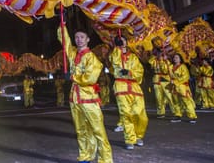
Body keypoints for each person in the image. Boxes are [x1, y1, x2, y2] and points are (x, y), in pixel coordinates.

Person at [57, 26, 113, 163]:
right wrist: (63, 26)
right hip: (75, 98)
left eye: (82, 37)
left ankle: (105, 159)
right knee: (80, 129)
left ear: (88, 39)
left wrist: (72, 77)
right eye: (76, 37)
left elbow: (90, 78)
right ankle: (85, 155)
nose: (79, 40)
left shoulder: (92, 58)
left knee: (98, 130)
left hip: (89, 98)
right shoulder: (74, 54)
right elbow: (66, 43)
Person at [109, 36, 149, 150]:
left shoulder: (133, 57)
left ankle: (138, 135)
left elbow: (140, 71)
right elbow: (115, 65)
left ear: (127, 42)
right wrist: (117, 47)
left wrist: (130, 72)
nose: (122, 41)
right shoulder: (115, 54)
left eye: (123, 40)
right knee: (126, 114)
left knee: (141, 115)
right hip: (121, 87)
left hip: (135, 87)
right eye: (119, 40)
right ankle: (130, 139)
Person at [148, 47, 177, 118]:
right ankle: (161, 112)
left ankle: (175, 112)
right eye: (158, 53)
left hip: (165, 81)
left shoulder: (167, 62)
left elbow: (165, 71)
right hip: (156, 81)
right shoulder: (154, 61)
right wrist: (154, 55)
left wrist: (164, 61)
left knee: (169, 97)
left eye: (161, 54)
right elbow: (149, 62)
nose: (160, 55)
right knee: (158, 98)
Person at [169, 53, 198, 123]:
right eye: (174, 57)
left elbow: (186, 77)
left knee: (186, 101)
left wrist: (175, 82)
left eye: (177, 57)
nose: (175, 59)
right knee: (176, 102)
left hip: (182, 87)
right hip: (174, 87)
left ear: (180, 59)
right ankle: (177, 115)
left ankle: (192, 116)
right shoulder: (171, 66)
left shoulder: (183, 66)